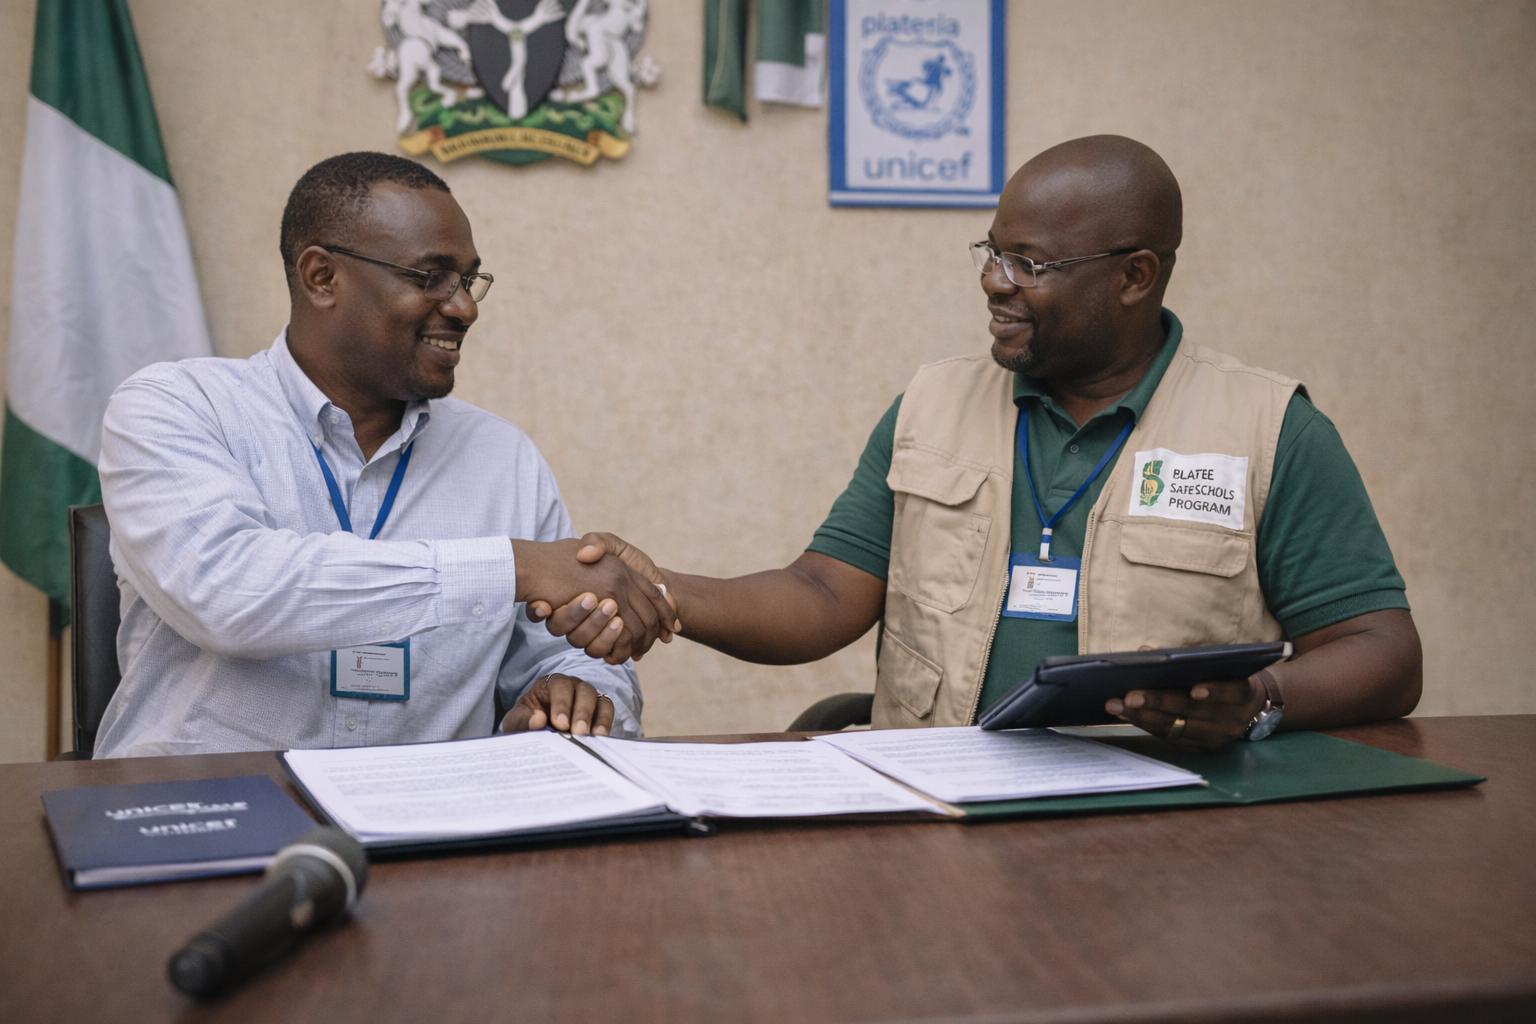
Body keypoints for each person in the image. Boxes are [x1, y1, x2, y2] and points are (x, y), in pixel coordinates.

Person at [545, 135, 1421, 751]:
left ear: (1135, 276)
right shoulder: (932, 404)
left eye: (1030, 264)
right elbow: (821, 593)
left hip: (1166, 829)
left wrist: (1260, 700)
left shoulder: (1269, 428)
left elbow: (1383, 651)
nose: (994, 283)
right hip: (940, 816)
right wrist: (659, 592)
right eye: (993, 253)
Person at [92, 152, 676, 758]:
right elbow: (228, 591)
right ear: (322, 277)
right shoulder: (176, 407)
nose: (465, 307)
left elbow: (570, 651)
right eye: (431, 277)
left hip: (426, 811)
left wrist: (576, 691)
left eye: (468, 280)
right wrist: (514, 566)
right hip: (208, 806)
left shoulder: (504, 458)